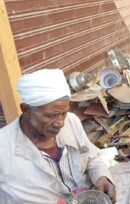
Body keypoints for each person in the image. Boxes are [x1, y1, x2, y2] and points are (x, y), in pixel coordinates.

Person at [0, 69, 116, 203]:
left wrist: (102, 177)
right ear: (26, 110)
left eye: (63, 113)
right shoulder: (3, 148)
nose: (60, 123)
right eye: (51, 115)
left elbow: (91, 156)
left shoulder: (71, 121)